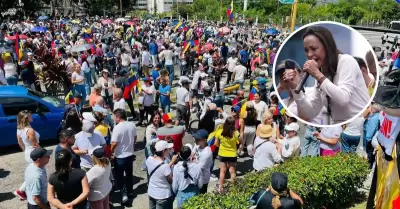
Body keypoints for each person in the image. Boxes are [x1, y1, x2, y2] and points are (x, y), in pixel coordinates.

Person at [281, 26, 370, 124]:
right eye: (306, 50)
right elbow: (310, 113)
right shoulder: (320, 73)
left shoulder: (346, 61)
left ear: (327, 47)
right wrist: (295, 89)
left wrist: (317, 74)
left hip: (360, 122)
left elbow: (343, 99)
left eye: (314, 49)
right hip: (339, 125)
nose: (309, 54)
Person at [111, 109, 137, 204]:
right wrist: (132, 146)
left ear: (118, 117)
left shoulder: (117, 128)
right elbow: (135, 137)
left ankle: (123, 194)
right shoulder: (132, 125)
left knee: (119, 176)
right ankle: (130, 191)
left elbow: (114, 143)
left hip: (120, 156)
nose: (114, 118)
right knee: (129, 174)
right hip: (130, 155)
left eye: (114, 116)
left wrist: (111, 152)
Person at [14, 110, 41, 200]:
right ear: (26, 118)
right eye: (30, 116)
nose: (32, 116)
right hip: (34, 152)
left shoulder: (19, 130)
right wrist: (43, 152)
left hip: (27, 151)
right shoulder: (30, 130)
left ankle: (24, 190)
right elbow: (35, 144)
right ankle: (21, 190)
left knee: (32, 172)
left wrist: (26, 150)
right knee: (37, 172)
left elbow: (20, 142)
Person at [146, 140, 177, 209]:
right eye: (167, 150)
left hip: (151, 192)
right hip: (163, 196)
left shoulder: (149, 159)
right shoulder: (165, 166)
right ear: (163, 151)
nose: (169, 151)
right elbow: (170, 181)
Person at [215, 116, 240, 193]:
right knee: (232, 171)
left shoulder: (219, 132)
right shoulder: (236, 133)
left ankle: (221, 187)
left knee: (222, 171)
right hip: (232, 154)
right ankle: (233, 188)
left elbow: (216, 144)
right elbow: (238, 142)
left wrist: (221, 146)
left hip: (222, 154)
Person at [191, 129, 214, 194]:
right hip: (195, 176)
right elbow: (192, 154)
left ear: (204, 140)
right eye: (195, 138)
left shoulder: (207, 152)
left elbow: (199, 168)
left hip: (202, 179)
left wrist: (193, 159)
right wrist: (193, 159)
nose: (195, 140)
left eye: (198, 139)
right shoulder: (197, 144)